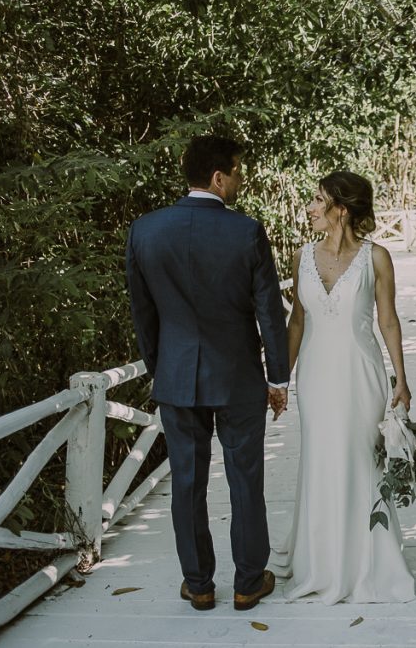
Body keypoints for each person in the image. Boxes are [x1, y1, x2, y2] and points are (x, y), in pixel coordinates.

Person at [125, 135, 289, 612]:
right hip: (237, 377)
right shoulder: (247, 231)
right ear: (218, 178)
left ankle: (198, 584)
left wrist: (162, 371)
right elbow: (268, 313)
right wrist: (277, 379)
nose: (242, 180)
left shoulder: (145, 230)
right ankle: (248, 582)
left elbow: (143, 313)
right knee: (245, 480)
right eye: (238, 172)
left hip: (176, 378)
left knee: (187, 482)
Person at [269, 170, 416, 603]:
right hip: (315, 374)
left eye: (318, 201)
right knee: (321, 457)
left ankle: (366, 559)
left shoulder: (377, 258)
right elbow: (296, 322)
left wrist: (402, 380)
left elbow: (387, 321)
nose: (311, 208)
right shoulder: (301, 257)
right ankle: (321, 559)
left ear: (341, 208)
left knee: (359, 459)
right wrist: (280, 379)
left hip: (361, 371)